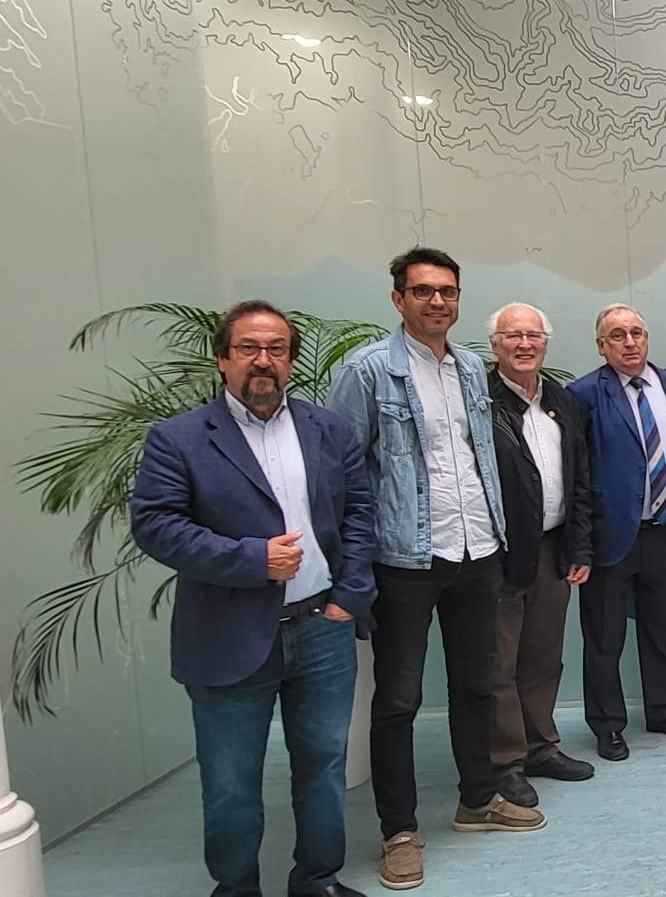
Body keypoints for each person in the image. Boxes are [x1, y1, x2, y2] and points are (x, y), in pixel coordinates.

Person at [131, 300, 374, 897]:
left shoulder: (330, 429)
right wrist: (251, 560)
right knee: (231, 779)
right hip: (227, 632)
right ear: (222, 359)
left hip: (323, 626)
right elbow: (156, 525)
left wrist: (350, 594)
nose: (263, 362)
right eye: (248, 349)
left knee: (322, 766)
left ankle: (317, 879)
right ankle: (236, 888)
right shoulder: (178, 439)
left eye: (277, 350)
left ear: (291, 360)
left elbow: (362, 513)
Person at [329, 248, 543, 893]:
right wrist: (352, 564)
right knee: (397, 701)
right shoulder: (366, 372)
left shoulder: (472, 367)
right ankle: (399, 830)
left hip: (477, 549)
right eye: (423, 292)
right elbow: (340, 472)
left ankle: (477, 799)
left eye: (448, 292)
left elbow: (476, 459)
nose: (437, 302)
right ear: (398, 300)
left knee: (479, 684)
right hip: (404, 561)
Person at [567, 304, 666, 759]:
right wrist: (579, 544)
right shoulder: (582, 394)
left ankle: (663, 710)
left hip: (665, 530)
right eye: (617, 336)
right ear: (601, 346)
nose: (630, 343)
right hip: (611, 538)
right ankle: (607, 725)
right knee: (604, 638)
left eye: (637, 333)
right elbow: (577, 477)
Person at [485, 303, 596, 809]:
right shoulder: (480, 402)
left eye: (534, 336)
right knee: (499, 662)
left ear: (546, 344)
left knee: (543, 656)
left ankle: (541, 747)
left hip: (555, 547)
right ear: (495, 345)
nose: (524, 344)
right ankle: (504, 763)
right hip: (502, 553)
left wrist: (580, 545)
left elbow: (580, 478)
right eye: (513, 336)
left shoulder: (561, 400)